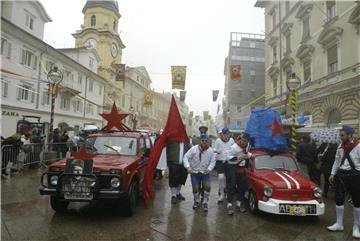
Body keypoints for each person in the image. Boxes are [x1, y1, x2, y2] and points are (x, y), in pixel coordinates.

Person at [327, 126, 360, 239]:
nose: (340, 137)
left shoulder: (359, 146)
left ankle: (356, 227)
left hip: (356, 175)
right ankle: (339, 224)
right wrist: (332, 173)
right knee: (339, 199)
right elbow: (336, 161)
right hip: (342, 175)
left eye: (342, 135)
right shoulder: (340, 147)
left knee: (357, 201)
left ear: (349, 135)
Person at [183, 133, 216, 212]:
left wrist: (209, 169)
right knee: (195, 188)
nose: (204, 142)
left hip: (205, 173)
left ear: (207, 141)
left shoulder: (211, 150)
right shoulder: (194, 149)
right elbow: (185, 157)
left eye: (205, 140)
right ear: (199, 141)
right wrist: (188, 167)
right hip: (195, 172)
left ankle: (205, 202)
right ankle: (196, 200)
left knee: (207, 187)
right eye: (202, 140)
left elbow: (213, 161)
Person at [225, 133, 251, 215]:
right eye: (242, 140)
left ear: (247, 141)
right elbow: (227, 158)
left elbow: (247, 153)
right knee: (231, 187)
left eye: (245, 141)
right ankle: (229, 204)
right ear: (240, 139)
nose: (243, 142)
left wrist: (250, 156)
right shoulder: (234, 147)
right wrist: (237, 158)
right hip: (233, 168)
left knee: (242, 187)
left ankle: (238, 204)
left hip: (242, 169)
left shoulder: (247, 145)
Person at [166, 140, 191, 204]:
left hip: (184, 164)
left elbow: (191, 150)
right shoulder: (172, 141)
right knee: (173, 180)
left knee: (181, 180)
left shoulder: (186, 142)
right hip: (174, 163)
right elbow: (167, 150)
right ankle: (173, 196)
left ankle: (177, 193)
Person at [214, 127, 235, 202]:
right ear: (222, 134)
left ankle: (227, 192)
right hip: (220, 161)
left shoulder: (232, 140)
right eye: (225, 135)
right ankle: (221, 193)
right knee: (221, 177)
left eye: (228, 134)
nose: (227, 136)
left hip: (229, 161)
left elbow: (234, 149)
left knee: (229, 178)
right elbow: (214, 150)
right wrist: (217, 151)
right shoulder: (218, 141)